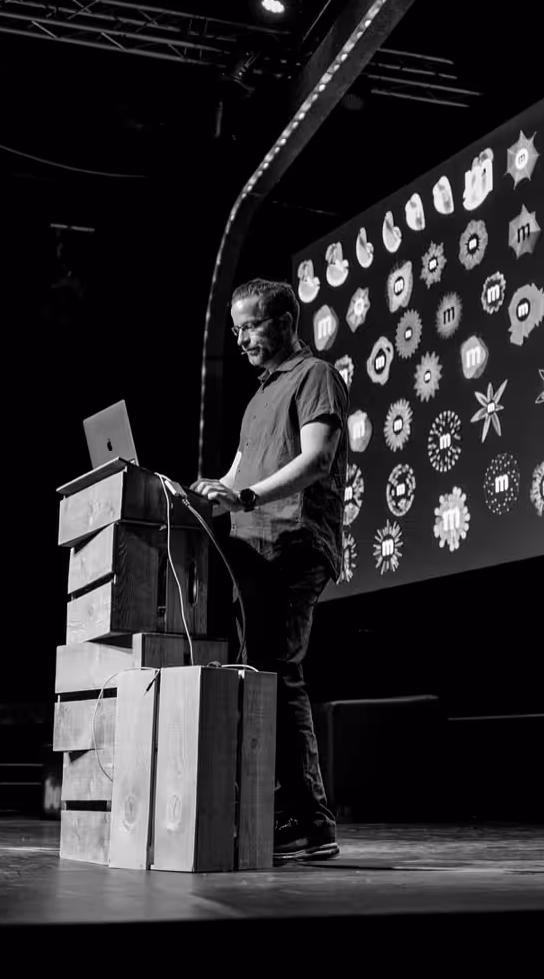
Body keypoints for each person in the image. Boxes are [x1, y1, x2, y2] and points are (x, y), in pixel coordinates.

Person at [191, 277, 347, 862]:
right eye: (235, 328)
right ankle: (280, 812)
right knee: (257, 674)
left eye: (250, 325)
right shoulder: (260, 396)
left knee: (278, 672)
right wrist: (200, 496)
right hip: (252, 550)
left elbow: (317, 459)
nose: (241, 338)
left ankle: (310, 821)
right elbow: (234, 476)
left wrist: (248, 498)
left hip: (295, 543)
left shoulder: (315, 376)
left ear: (284, 321)